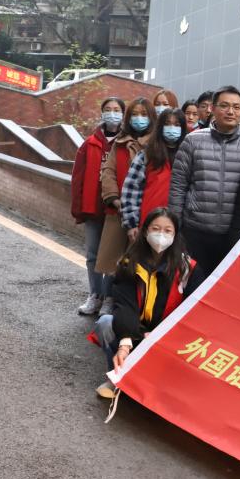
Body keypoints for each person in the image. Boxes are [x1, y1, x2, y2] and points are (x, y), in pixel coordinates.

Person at [93, 207, 203, 398]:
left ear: (175, 235)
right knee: (105, 323)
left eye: (167, 230)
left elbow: (193, 311)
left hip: (167, 335)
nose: (161, 235)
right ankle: (116, 378)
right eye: (156, 229)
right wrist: (125, 343)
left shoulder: (187, 268)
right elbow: (125, 305)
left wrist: (161, 334)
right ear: (145, 232)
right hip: (135, 329)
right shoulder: (128, 262)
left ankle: (154, 383)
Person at [169, 86, 240, 277]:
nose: (230, 111)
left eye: (236, 107)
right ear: (212, 108)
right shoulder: (192, 141)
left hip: (234, 234)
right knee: (191, 283)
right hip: (195, 230)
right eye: (224, 106)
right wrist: (175, 226)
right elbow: (178, 186)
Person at [97, 97, 157, 317]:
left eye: (144, 114)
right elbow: (108, 172)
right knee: (113, 262)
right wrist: (115, 199)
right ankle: (106, 299)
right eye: (134, 114)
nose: (139, 119)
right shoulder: (119, 143)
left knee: (138, 263)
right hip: (118, 211)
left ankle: (131, 305)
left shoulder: (157, 145)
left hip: (146, 213)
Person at [70, 97, 125, 317]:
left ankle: (109, 298)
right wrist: (78, 208)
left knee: (112, 256)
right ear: (101, 113)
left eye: (116, 109)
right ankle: (95, 295)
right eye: (108, 109)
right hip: (93, 208)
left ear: (123, 113)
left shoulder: (127, 143)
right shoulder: (90, 143)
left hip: (116, 209)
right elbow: (78, 177)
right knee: (92, 254)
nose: (112, 113)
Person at [120, 108, 188, 240]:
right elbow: (131, 189)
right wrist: (131, 223)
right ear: (160, 127)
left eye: (177, 125)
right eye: (167, 124)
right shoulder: (146, 155)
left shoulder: (188, 156)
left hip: (178, 226)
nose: (172, 128)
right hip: (148, 223)